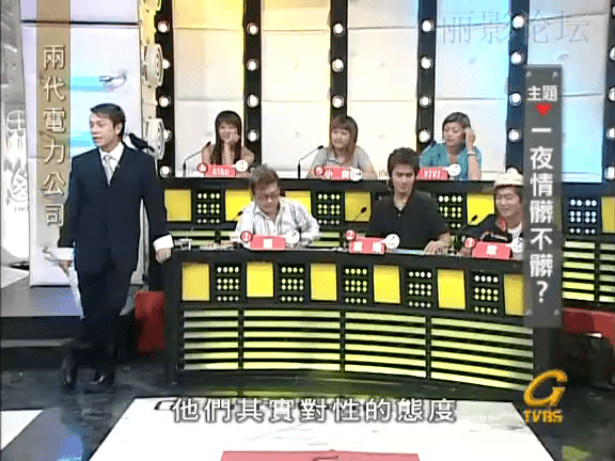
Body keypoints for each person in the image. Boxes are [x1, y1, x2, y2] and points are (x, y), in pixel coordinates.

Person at [57, 103, 173, 393]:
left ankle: (75, 354)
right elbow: (73, 208)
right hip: (89, 249)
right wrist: (65, 246)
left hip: (122, 250)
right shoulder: (82, 164)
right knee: (94, 313)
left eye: (100, 125)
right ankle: (103, 372)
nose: (94, 130)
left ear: (118, 128)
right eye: (92, 125)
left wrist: (161, 238)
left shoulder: (141, 164)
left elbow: (154, 205)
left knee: (110, 311)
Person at [367, 148, 451, 254]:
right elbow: (370, 242)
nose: (404, 181)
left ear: (415, 176)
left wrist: (440, 243)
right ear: (390, 176)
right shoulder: (380, 207)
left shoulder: (427, 203)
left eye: (408, 175)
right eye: (399, 175)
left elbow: (446, 238)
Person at [234, 165, 320, 247]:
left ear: (279, 190)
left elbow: (314, 229)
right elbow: (242, 238)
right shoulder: (248, 213)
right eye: (263, 196)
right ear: (254, 195)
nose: (269, 201)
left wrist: (299, 240)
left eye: (273, 195)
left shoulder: (294, 207)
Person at [461, 168, 524, 259]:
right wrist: (468, 246)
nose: (503, 203)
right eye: (498, 198)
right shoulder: (491, 223)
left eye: (508, 197)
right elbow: (470, 237)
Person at [307, 115, 377, 180]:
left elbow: (373, 176)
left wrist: (351, 174)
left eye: (343, 133)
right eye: (335, 132)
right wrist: (326, 173)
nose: (338, 137)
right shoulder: (323, 152)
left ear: (352, 137)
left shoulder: (358, 152)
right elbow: (310, 176)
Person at [420, 112, 482, 180]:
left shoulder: (474, 152)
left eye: (455, 131)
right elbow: (419, 174)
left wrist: (470, 147)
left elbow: (475, 179)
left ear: (465, 134)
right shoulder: (433, 150)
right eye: (446, 130)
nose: (449, 134)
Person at [200, 110, 254, 178]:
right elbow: (207, 175)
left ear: (238, 130)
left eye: (231, 127)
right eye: (222, 127)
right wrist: (237, 175)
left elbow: (229, 177)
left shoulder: (247, 154)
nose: (227, 131)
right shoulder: (208, 151)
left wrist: (227, 146)